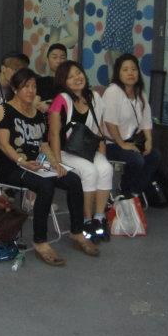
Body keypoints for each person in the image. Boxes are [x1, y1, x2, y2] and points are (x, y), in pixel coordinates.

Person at [0, 67, 96, 266]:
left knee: (73, 180)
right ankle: (40, 241)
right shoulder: (3, 110)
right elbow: (3, 145)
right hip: (13, 167)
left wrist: (56, 164)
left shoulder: (38, 113)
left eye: (34, 86)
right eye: (26, 86)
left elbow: (43, 144)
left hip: (38, 164)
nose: (31, 91)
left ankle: (76, 231)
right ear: (15, 89)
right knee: (45, 185)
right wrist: (22, 161)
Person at [46, 61, 113, 243]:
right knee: (90, 171)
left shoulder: (94, 97)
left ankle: (99, 217)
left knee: (106, 168)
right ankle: (86, 220)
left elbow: (99, 129)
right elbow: (54, 134)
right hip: (65, 151)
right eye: (70, 76)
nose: (77, 78)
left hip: (87, 149)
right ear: (63, 81)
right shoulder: (61, 100)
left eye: (78, 73)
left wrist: (102, 153)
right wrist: (57, 162)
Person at [102, 54, 162, 202]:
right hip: (111, 143)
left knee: (154, 155)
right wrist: (122, 144)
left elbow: (146, 120)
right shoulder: (113, 91)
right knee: (136, 160)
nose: (130, 73)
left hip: (132, 141)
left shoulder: (140, 93)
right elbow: (110, 122)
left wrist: (148, 140)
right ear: (118, 73)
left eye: (134, 69)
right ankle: (125, 191)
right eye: (125, 69)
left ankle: (135, 191)